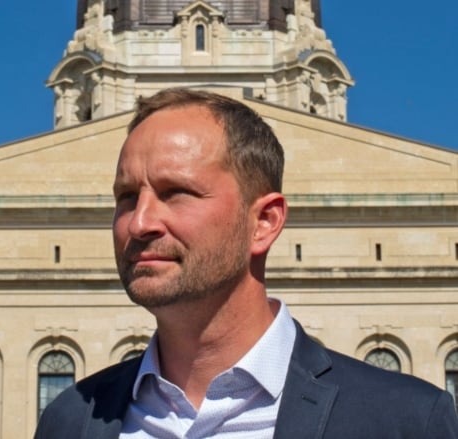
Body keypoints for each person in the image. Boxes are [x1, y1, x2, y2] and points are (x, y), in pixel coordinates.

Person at [34, 88, 458, 438]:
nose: (140, 222)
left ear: (264, 222)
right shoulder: (69, 420)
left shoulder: (407, 422)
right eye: (127, 197)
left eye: (176, 192)